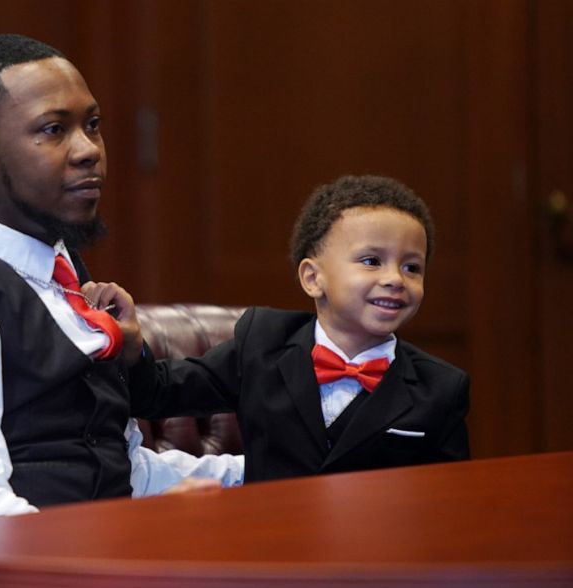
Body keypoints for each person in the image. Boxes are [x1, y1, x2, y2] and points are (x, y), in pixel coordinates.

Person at [0, 33, 244, 518]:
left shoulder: (58, 269)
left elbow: (119, 475)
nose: (89, 150)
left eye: (93, 124)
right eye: (53, 130)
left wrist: (264, 477)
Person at [129, 175, 470, 483]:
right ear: (312, 278)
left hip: (376, 548)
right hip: (269, 539)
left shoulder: (440, 388)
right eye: (372, 261)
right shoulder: (263, 343)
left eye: (412, 267)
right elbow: (157, 392)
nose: (395, 279)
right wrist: (130, 344)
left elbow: (449, 496)